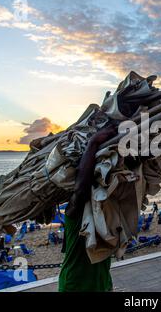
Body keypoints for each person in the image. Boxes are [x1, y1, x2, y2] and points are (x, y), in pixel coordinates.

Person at [58, 123, 117, 292]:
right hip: (74, 288)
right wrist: (92, 143)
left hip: (102, 285)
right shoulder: (73, 212)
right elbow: (81, 189)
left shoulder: (108, 210)